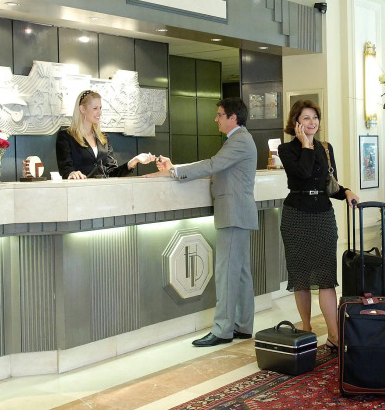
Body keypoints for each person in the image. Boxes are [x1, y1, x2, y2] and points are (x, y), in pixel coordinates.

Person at [149, 97, 258, 347]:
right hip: (238, 214)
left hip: (233, 214)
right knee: (240, 273)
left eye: (220, 114)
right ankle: (242, 325)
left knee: (227, 273)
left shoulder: (239, 140)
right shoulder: (240, 139)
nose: (216, 119)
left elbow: (213, 165)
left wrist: (175, 171)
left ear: (233, 117)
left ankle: (223, 330)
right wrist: (175, 167)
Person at [277, 100, 360, 353]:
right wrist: (305, 145)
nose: (312, 122)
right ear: (296, 122)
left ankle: (334, 335)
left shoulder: (326, 147)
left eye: (315, 117)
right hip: (296, 215)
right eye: (306, 118)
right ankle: (306, 328)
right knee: (301, 277)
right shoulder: (286, 149)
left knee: (326, 277)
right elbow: (302, 173)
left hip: (323, 214)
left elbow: (329, 184)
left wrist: (346, 191)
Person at [56, 90, 154, 179]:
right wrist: (71, 173)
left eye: (100, 108)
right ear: (82, 109)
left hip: (104, 190)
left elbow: (112, 172)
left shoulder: (103, 138)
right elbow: (65, 169)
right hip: (80, 190)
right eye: (95, 108)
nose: (99, 112)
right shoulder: (65, 136)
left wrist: (133, 161)